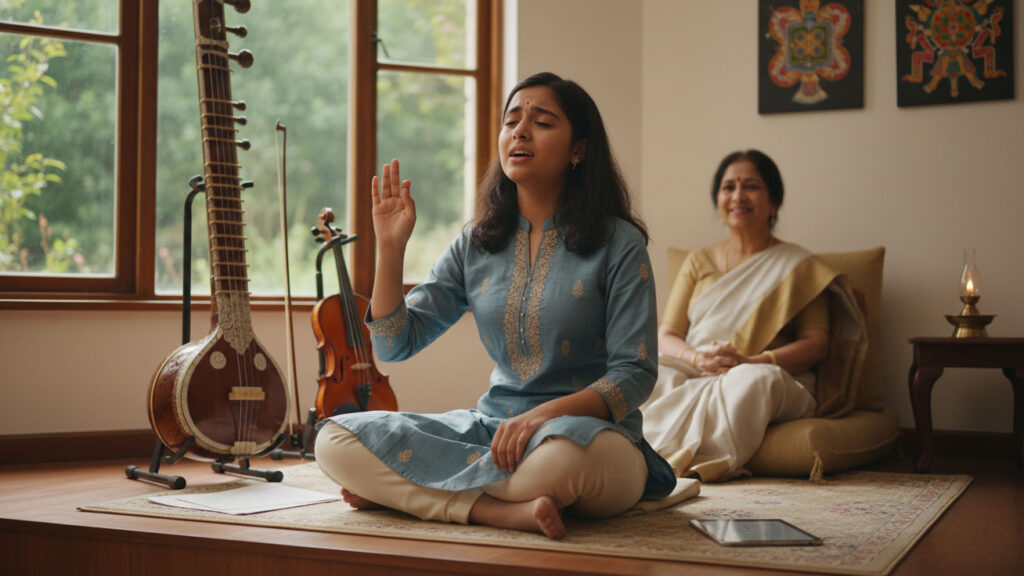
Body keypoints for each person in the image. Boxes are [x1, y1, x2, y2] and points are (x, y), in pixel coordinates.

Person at [315, 72, 675, 540]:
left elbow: (635, 373)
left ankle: (413, 492)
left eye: (542, 122)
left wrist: (540, 417)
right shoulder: (478, 243)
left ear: (578, 150)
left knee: (558, 465)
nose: (519, 131)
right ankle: (499, 511)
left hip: (590, 441)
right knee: (334, 439)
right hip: (494, 432)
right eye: (511, 121)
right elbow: (392, 345)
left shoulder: (618, 243)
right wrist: (390, 249)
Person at [641, 150, 868, 482]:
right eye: (728, 187)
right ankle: (641, 457)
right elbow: (667, 333)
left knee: (752, 383)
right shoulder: (698, 261)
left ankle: (699, 464)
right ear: (718, 200)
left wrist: (751, 361)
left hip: (771, 373)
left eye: (750, 186)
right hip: (700, 367)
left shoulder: (800, 268)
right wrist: (698, 358)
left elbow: (816, 345)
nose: (737, 195)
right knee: (651, 374)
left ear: (774, 202)